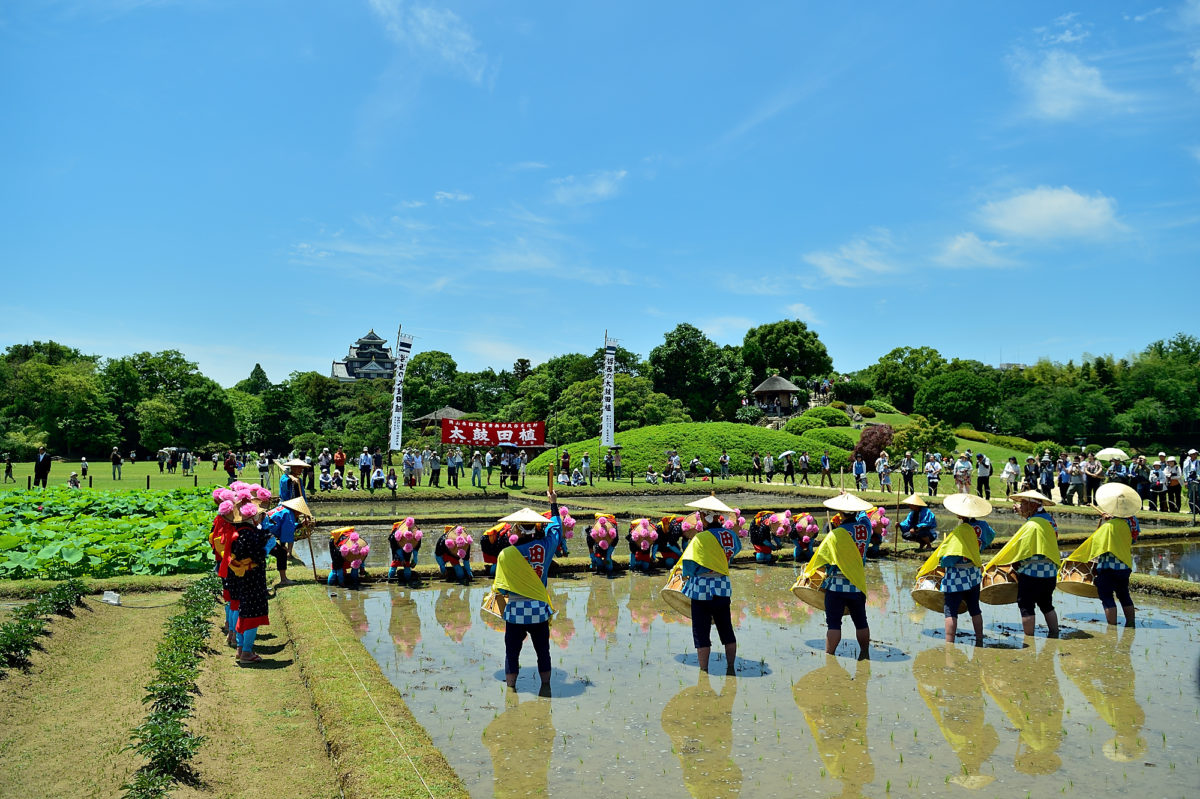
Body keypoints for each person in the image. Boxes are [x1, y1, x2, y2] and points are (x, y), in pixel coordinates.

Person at [493, 494, 563, 691]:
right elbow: (556, 530)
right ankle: (546, 687)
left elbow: (500, 587)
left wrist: (502, 614)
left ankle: (511, 690)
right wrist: (553, 504)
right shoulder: (545, 547)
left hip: (515, 611)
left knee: (511, 653)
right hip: (539, 609)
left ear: (516, 529)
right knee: (543, 652)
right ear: (536, 527)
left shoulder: (506, 554)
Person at [673, 497, 742, 673]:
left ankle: (704, 670)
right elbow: (734, 552)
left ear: (704, 517)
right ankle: (731, 667)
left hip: (701, 590)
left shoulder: (701, 538)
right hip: (722, 587)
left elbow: (689, 565)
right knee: (726, 629)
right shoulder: (731, 536)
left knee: (701, 633)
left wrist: (689, 574)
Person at [918, 493, 995, 645]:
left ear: (961, 513)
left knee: (950, 611)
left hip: (957, 577)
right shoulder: (983, 526)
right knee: (975, 609)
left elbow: (948, 560)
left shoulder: (960, 532)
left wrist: (942, 559)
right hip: (973, 574)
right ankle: (979, 638)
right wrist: (978, 549)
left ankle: (949, 643)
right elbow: (991, 536)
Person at [804, 493, 873, 659]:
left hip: (836, 587)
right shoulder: (865, 529)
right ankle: (865, 653)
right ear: (856, 511)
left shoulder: (835, 535)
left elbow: (822, 559)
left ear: (840, 514)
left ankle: (830, 656)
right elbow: (865, 518)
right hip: (857, 584)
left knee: (834, 624)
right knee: (861, 622)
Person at [984, 490, 1061, 637]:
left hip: (1032, 573)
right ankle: (1055, 634)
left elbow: (1022, 549)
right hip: (1050, 573)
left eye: (1023, 503)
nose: (1021, 506)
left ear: (1032, 505)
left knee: (1026, 606)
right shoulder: (1050, 520)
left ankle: (1029, 639)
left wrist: (1013, 562)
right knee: (1047, 605)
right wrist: (1023, 512)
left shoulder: (1032, 524)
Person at [1061, 484, 1139, 627]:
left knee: (1107, 597)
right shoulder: (1133, 521)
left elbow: (1095, 544)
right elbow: (1133, 538)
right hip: (1125, 564)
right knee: (1124, 595)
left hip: (1108, 566)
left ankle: (1112, 627)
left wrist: (1075, 557)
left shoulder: (1109, 526)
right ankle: (1131, 623)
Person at [228, 497, 271, 663]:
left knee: (244, 611)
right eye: (259, 516)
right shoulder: (249, 535)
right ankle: (246, 651)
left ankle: (240, 649)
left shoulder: (239, 531)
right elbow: (257, 555)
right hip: (253, 579)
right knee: (253, 613)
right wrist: (266, 546)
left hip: (244, 578)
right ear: (252, 517)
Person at [261, 496, 313, 588]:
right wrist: (283, 545)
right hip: (264, 534)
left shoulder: (283, 508)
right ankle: (284, 579)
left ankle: (281, 579)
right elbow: (286, 531)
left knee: (278, 554)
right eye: (300, 513)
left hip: (263, 532)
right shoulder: (289, 514)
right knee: (282, 553)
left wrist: (301, 525)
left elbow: (286, 525)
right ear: (297, 510)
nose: (300, 514)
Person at [388, 518, 424, 588]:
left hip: (408, 550)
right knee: (394, 565)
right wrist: (401, 558)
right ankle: (389, 580)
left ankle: (408, 582)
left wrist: (415, 558)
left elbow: (416, 546)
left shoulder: (416, 535)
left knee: (407, 566)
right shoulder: (394, 537)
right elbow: (394, 548)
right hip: (397, 550)